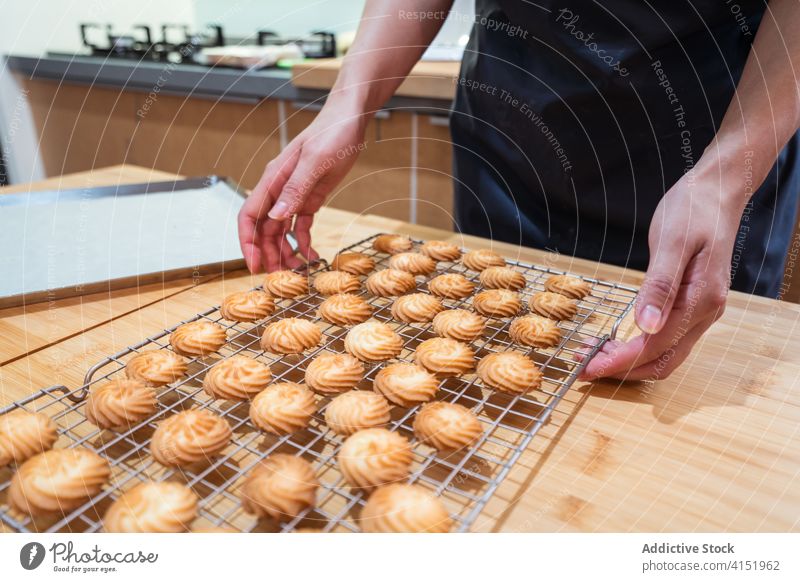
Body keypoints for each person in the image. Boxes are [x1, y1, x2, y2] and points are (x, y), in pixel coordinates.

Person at [238, 0, 800, 381]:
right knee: (479, 357)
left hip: (713, 137)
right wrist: (349, 102)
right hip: (511, 133)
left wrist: (726, 178)